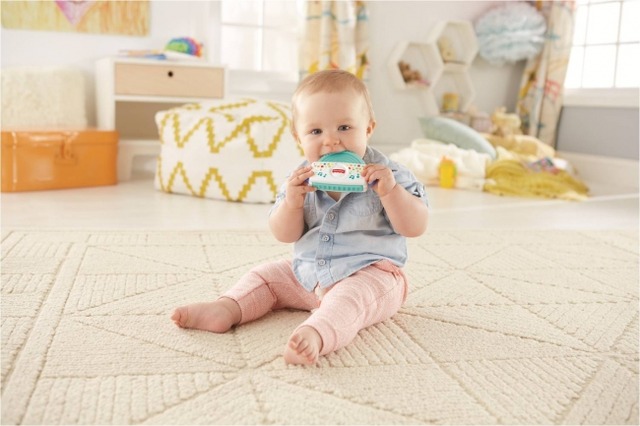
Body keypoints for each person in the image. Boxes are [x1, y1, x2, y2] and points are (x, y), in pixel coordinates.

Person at [171, 69, 429, 365]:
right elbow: (285, 235)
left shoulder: (390, 176)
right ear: (298, 137)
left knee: (349, 300)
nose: (331, 142)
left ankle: (316, 333)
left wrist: (391, 193)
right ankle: (227, 308)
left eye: (344, 127)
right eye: (316, 132)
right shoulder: (300, 179)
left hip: (373, 276)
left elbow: (415, 226)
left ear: (368, 128)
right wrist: (292, 203)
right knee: (265, 276)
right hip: (310, 273)